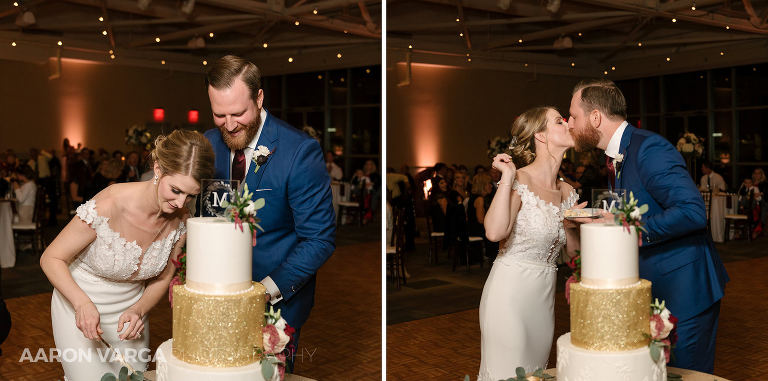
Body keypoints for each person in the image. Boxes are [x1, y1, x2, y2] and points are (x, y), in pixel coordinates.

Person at [567, 78, 729, 373]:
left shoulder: (648, 148)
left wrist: (625, 223)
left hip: (685, 292)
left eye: (574, 117)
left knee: (691, 376)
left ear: (595, 117)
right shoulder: (617, 156)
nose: (570, 124)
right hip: (658, 291)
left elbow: (692, 212)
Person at [40, 130, 214, 379]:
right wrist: (82, 304)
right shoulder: (110, 203)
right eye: (175, 190)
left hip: (130, 318)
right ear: (157, 169)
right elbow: (51, 258)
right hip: (79, 306)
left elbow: (164, 277)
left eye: (191, 195)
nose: (180, 203)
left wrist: (139, 310)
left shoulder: (182, 220)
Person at [202, 55, 335, 369]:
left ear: (259, 98)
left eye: (238, 113)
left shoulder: (299, 151)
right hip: (214, 299)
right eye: (219, 114)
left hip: (275, 305)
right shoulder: (208, 144)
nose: (229, 124)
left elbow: (319, 240)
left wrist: (265, 291)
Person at [478, 106, 581, 379]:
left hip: (543, 300)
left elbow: (574, 259)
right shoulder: (520, 179)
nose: (569, 124)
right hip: (508, 295)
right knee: (509, 374)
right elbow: (494, 232)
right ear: (541, 136)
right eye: (559, 121)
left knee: (535, 374)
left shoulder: (568, 191)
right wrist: (507, 178)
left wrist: (571, 226)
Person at [699, 161, 727, 242]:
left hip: (716, 202)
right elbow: (702, 189)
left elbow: (723, 190)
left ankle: (715, 234)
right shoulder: (703, 178)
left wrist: (716, 190)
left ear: (708, 168)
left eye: (703, 167)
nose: (701, 169)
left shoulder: (718, 177)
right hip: (705, 202)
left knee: (715, 211)